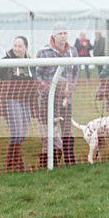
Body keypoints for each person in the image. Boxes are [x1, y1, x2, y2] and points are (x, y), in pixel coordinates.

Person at [0, 36, 36, 171]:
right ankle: (17, 164)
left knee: (23, 132)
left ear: (26, 47)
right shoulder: (6, 61)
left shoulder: (31, 62)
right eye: (15, 45)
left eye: (20, 46)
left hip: (26, 102)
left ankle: (11, 162)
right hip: (11, 100)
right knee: (17, 132)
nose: (17, 48)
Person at [36, 22, 80, 166]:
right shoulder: (43, 52)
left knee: (67, 128)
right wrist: (48, 90)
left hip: (66, 99)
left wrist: (69, 92)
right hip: (48, 99)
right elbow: (38, 75)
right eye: (60, 33)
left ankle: (69, 160)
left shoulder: (73, 51)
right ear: (54, 36)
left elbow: (75, 74)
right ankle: (49, 161)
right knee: (49, 130)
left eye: (65, 33)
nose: (62, 36)